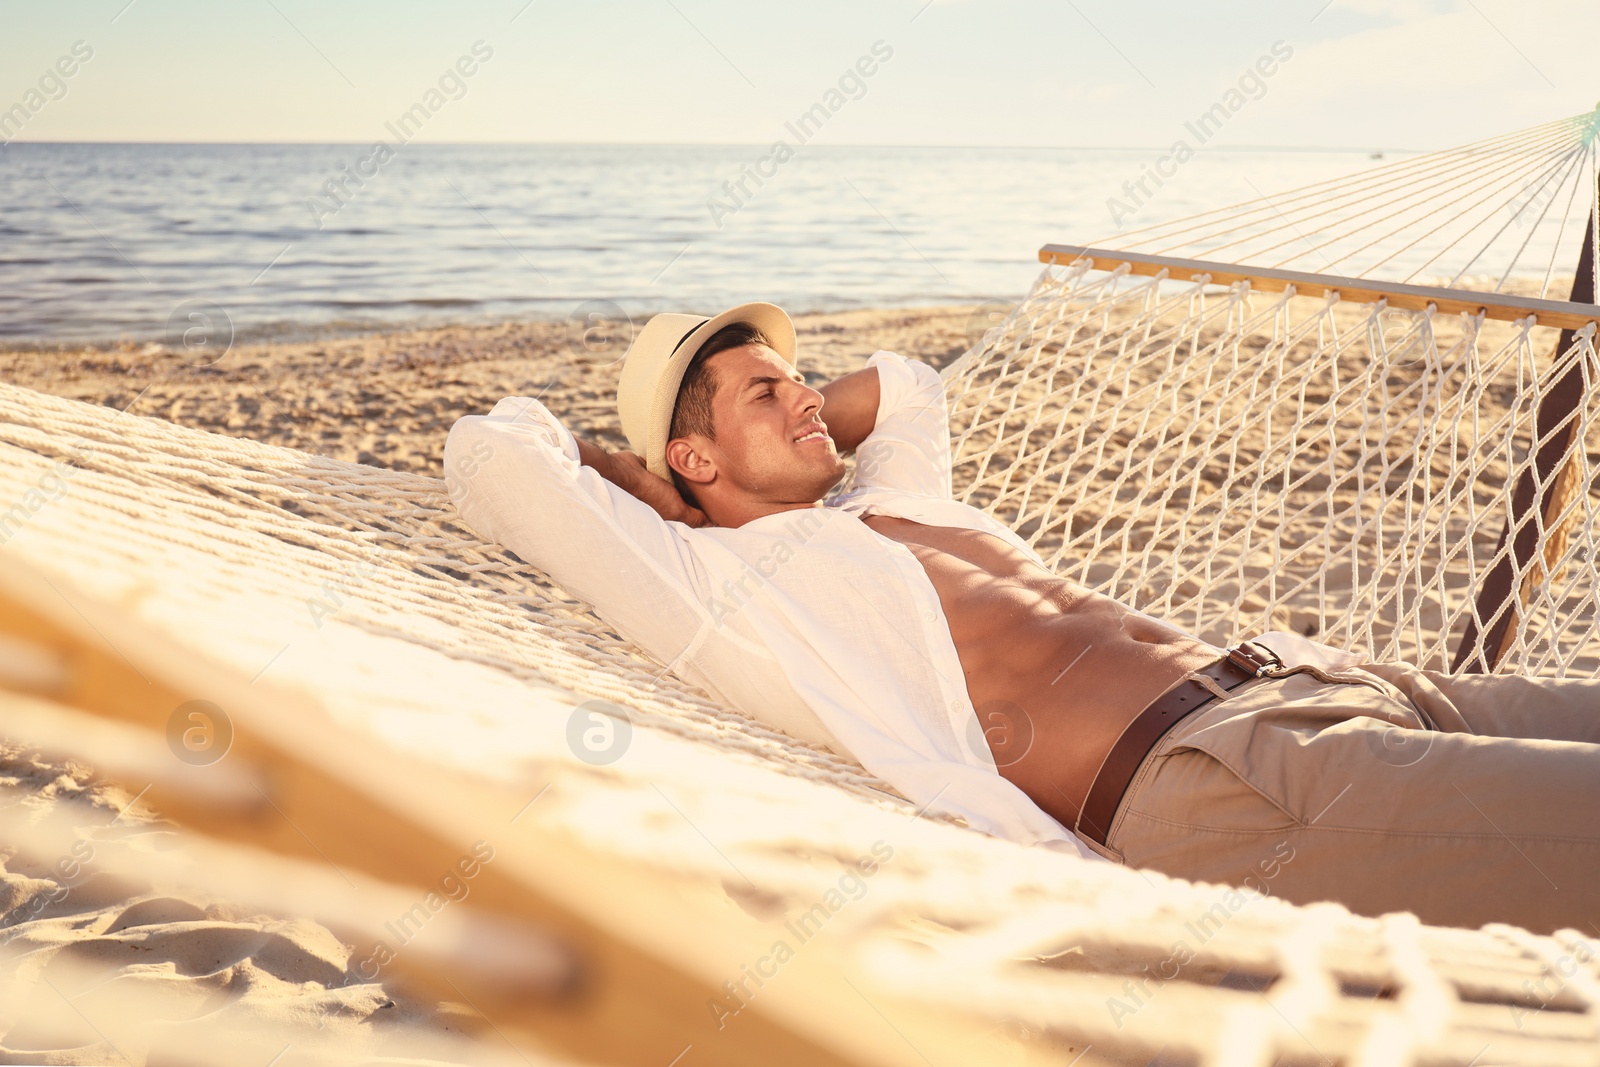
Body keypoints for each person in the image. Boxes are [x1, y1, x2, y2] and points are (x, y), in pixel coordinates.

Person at [445, 301, 1600, 935]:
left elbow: (905, 383)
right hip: (1232, 786)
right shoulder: (720, 589)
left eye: (800, 380)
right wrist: (655, 492)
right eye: (766, 390)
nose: (805, 393)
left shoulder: (893, 496)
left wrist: (783, 411)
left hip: (1319, 677)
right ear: (690, 455)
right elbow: (493, 460)